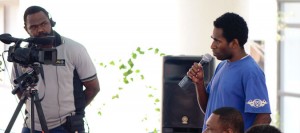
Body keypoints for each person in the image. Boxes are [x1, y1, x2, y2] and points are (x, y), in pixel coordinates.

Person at [11, 5, 100, 133]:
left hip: (66, 126)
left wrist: (75, 111)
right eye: (34, 27)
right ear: (26, 29)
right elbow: (18, 89)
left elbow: (93, 87)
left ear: (51, 22)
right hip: (31, 125)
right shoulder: (22, 55)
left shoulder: (74, 49)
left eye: (44, 23)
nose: (41, 29)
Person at [187, 12, 271, 132]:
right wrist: (199, 83)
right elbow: (208, 110)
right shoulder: (221, 66)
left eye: (217, 41)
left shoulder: (251, 72)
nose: (212, 46)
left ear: (234, 43)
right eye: (212, 39)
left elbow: (264, 117)